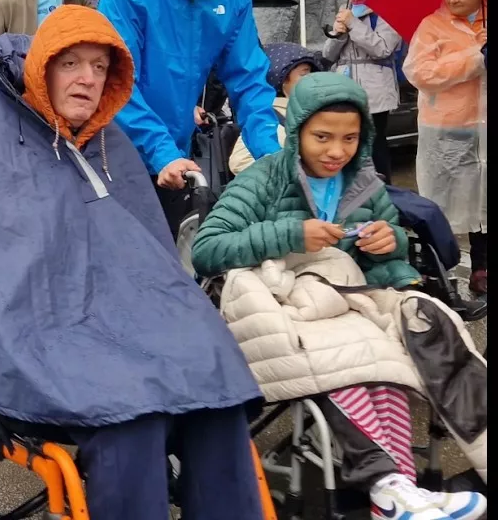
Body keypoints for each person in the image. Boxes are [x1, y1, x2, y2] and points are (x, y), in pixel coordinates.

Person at [0, 6, 269, 518]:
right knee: (132, 419)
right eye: (72, 64)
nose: (87, 80)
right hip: (39, 331)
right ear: (44, 68)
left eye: (100, 67)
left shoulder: (111, 146)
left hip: (129, 324)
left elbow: (147, 257)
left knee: (217, 394)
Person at [192, 72, 488, 520]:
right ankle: (390, 488)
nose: (336, 151)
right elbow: (207, 248)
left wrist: (391, 244)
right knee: (351, 358)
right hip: (284, 305)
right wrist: (289, 233)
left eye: (350, 138)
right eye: (322, 137)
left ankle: (399, 491)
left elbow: (385, 260)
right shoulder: (264, 180)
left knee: (416, 344)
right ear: (297, 133)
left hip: (348, 298)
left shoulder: (363, 184)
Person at [98, 0, 280, 235]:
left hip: (178, 152)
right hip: (120, 149)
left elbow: (247, 77)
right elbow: (118, 82)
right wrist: (160, 150)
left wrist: (269, 153)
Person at [404, 0, 488, 297]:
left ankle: (481, 269)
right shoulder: (431, 26)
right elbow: (421, 74)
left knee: (484, 204)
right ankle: (438, 269)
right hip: (446, 131)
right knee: (441, 205)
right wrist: (474, 59)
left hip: (483, 130)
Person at [325, 0, 402, 179]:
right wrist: (337, 34)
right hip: (345, 88)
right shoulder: (347, 9)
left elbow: (383, 48)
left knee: (374, 147)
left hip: (375, 92)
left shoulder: (387, 8)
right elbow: (328, 55)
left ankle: (384, 195)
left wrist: (353, 25)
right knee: (349, 145)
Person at [229, 43, 323, 174]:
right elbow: (239, 162)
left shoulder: (311, 113)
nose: (311, 80)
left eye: (312, 74)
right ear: (283, 80)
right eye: (304, 74)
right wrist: (292, 177)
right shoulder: (268, 117)